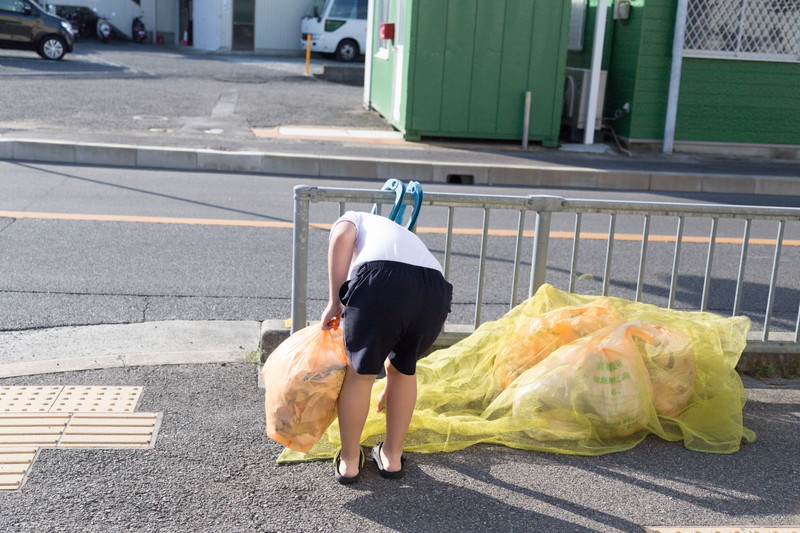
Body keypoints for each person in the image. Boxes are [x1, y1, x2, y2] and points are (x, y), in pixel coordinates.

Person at [320, 210, 452, 484]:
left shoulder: (352, 217)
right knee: (403, 370)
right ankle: (392, 458)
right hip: (434, 289)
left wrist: (335, 301)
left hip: (380, 279)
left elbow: (343, 235)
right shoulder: (396, 232)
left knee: (362, 375)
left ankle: (349, 462)